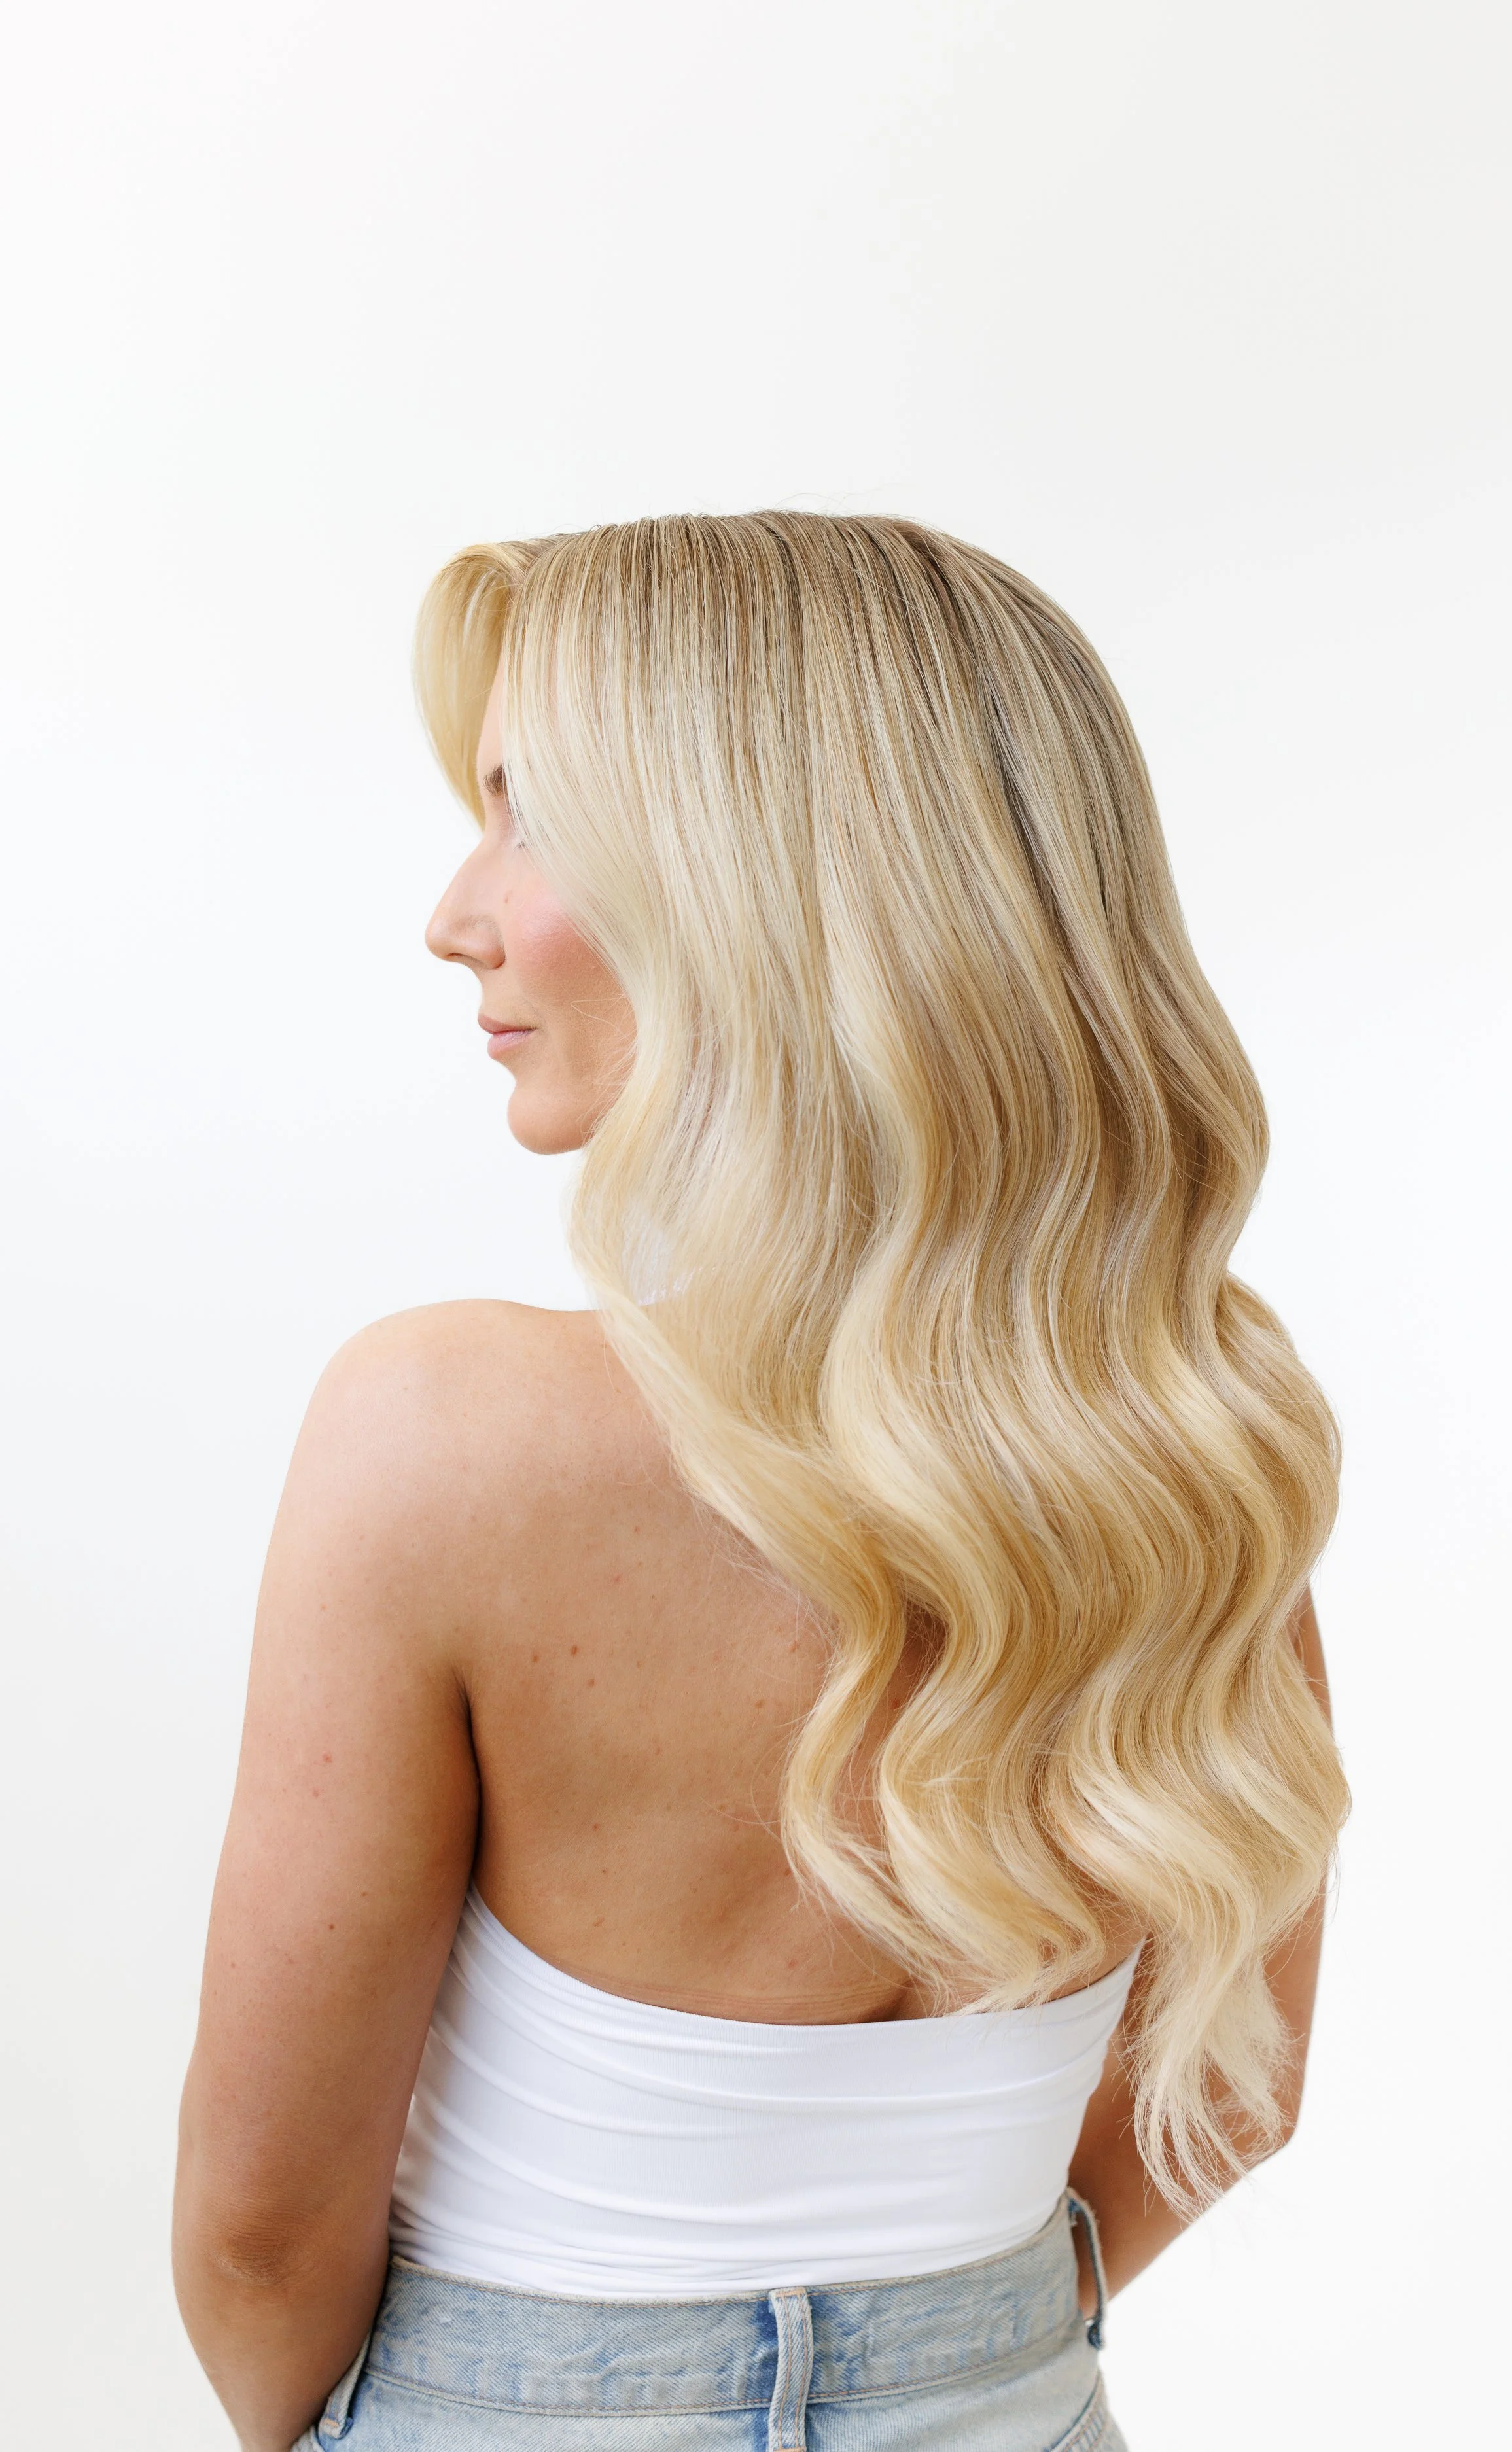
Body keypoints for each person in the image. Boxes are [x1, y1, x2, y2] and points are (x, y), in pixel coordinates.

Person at [172, 512, 1348, 2452]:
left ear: (749, 884)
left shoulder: (445, 1429)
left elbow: (262, 2232)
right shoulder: (1185, 1422)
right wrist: (963, 2346)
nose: (457, 913)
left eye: (528, 815)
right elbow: (1238, 2083)